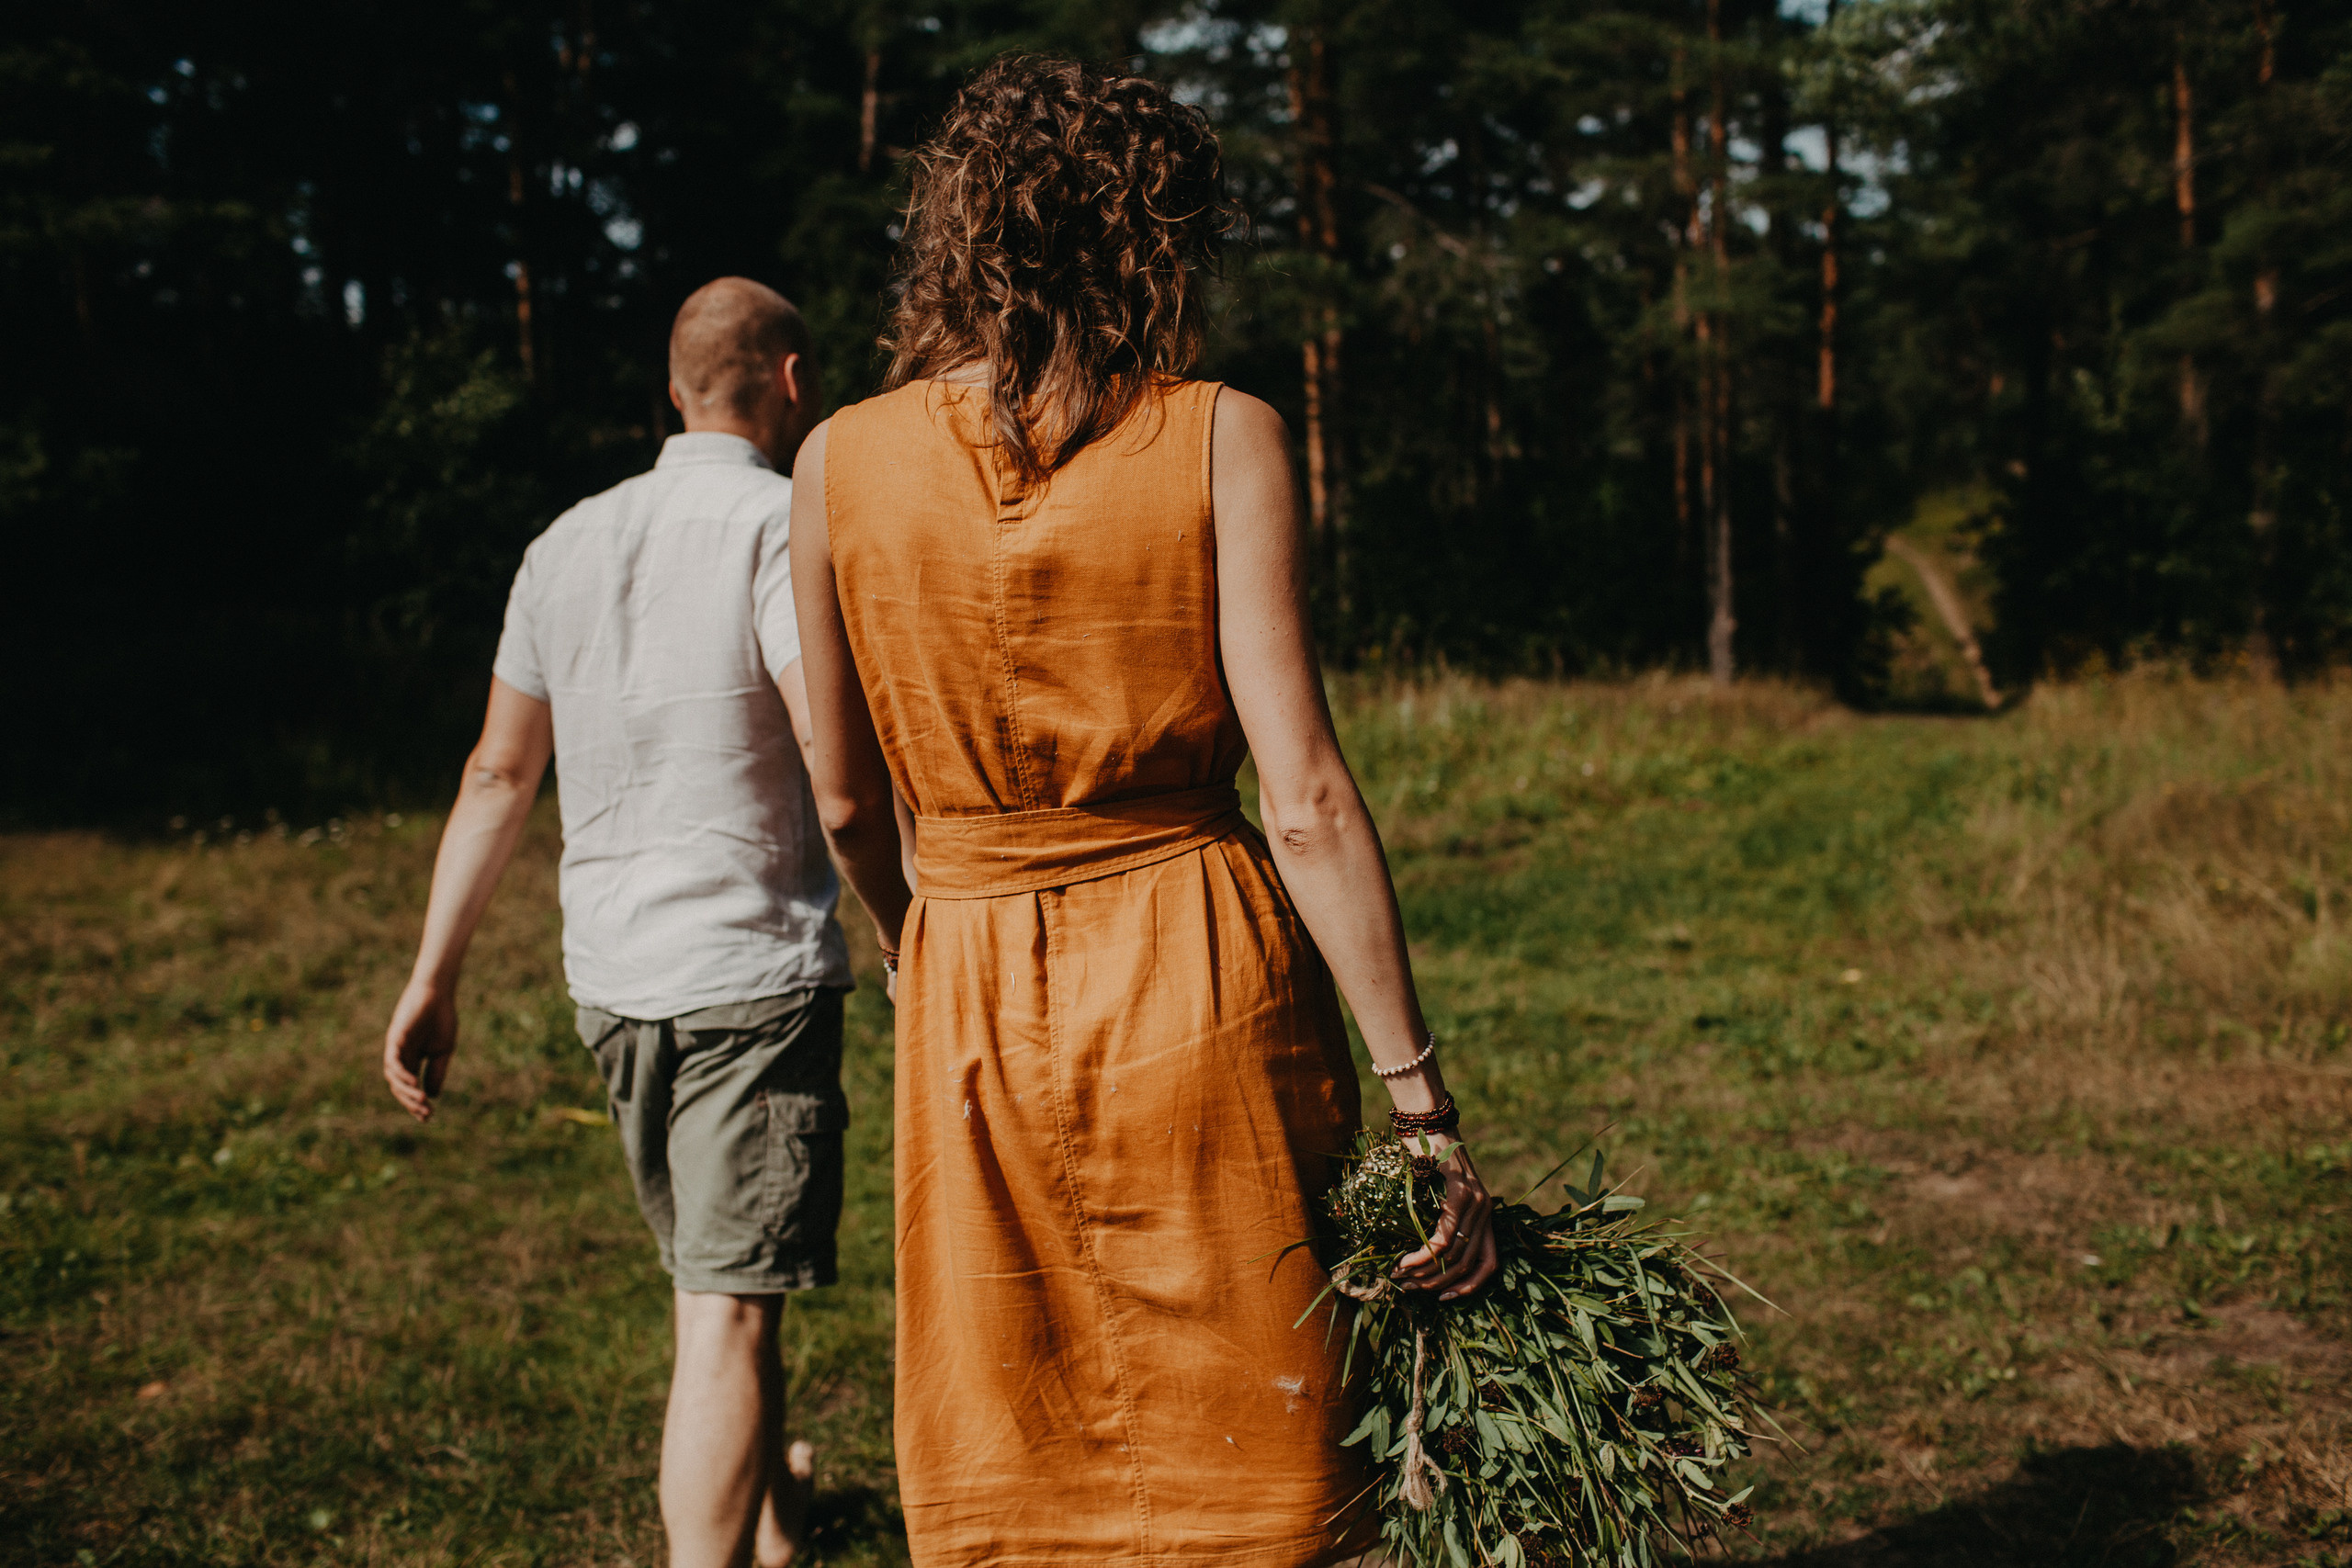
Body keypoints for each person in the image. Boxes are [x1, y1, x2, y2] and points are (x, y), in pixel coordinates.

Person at [790, 58, 1499, 1568]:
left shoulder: (835, 458)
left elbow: (847, 794)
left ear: (959, 234)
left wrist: (916, 940)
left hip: (968, 965)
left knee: (1015, 1431)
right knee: (1250, 1416)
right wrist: (1420, 1101)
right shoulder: (1222, 432)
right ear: (1154, 240)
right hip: (1196, 954)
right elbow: (1302, 797)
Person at [381, 276, 906, 1568]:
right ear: (794, 380)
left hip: (611, 983)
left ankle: (777, 1517)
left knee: (721, 1290)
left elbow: (499, 775)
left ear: (673, 392)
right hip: (748, 978)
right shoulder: (781, 527)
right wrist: (903, 918)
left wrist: (432, 976)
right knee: (725, 1314)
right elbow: (834, 772)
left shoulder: (561, 545)